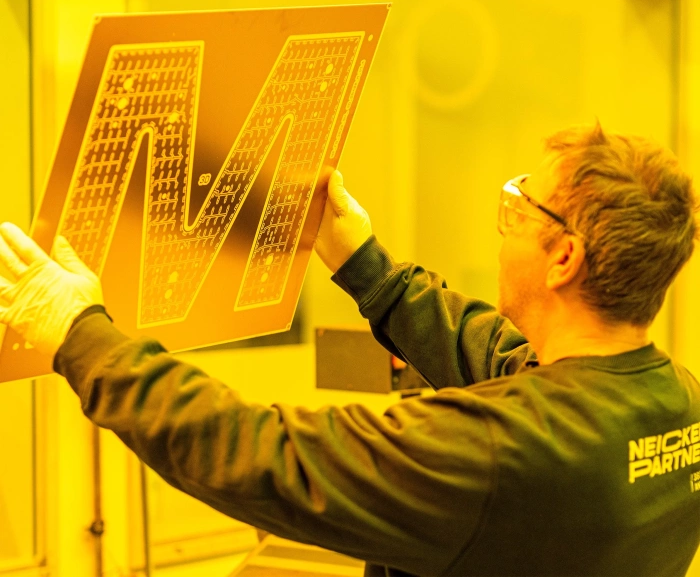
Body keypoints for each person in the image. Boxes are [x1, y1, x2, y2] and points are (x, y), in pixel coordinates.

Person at [0, 123, 699, 577]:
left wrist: (78, 333)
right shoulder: (676, 398)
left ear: (564, 258)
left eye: (519, 210)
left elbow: (260, 454)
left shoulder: (499, 451)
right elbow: (493, 351)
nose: (504, 224)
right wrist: (359, 260)